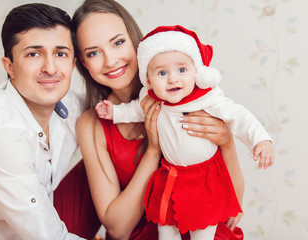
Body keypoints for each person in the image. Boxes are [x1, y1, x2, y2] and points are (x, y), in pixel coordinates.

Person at [73, 0, 245, 239]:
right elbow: (118, 227)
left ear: (136, 41)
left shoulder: (186, 93)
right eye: (93, 52)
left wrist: (227, 142)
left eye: (118, 43)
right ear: (83, 62)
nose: (110, 61)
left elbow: (232, 209)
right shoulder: (91, 124)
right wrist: (153, 151)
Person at [96, 25, 275, 239]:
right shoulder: (152, 100)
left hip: (203, 179)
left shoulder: (207, 98)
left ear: (196, 72)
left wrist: (261, 140)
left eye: (182, 70)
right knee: (166, 227)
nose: (173, 79)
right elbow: (135, 111)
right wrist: (114, 112)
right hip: (171, 177)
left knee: (201, 231)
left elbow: (239, 116)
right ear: (149, 80)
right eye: (162, 73)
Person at [0, 3, 87, 239]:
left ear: (73, 63)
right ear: (9, 67)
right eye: (34, 54)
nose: (50, 68)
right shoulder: (0, 136)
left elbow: (114, 108)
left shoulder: (70, 105)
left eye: (60, 54)